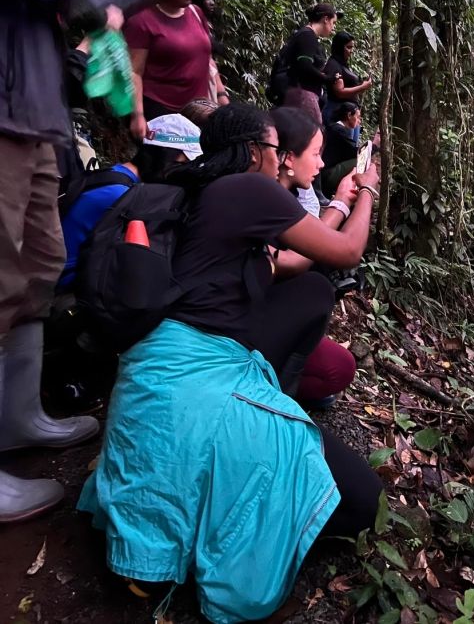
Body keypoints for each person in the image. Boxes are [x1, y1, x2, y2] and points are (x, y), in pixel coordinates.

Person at [79, 103, 382, 623]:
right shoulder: (248, 190)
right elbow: (347, 251)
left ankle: (259, 421)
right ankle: (256, 446)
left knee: (309, 290)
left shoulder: (209, 193)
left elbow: (297, 260)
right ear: (254, 152)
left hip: (166, 368)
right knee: (360, 502)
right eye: (272, 148)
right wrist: (370, 190)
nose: (277, 158)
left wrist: (337, 199)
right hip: (198, 374)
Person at [0, 0, 190, 523]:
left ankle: (17, 417)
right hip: (4, 124)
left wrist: (114, 16)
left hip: (33, 123)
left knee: (40, 267)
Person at [270, 108, 358, 408]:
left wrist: (342, 202)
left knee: (339, 368)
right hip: (236, 327)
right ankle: (274, 392)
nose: (322, 163)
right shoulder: (262, 197)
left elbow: (314, 236)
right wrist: (365, 194)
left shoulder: (289, 195)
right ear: (288, 158)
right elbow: (342, 249)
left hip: (268, 313)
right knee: (317, 289)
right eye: (317, 154)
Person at [58, 114, 203, 291]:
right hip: (67, 288)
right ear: (164, 155)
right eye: (181, 164)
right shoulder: (120, 194)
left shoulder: (115, 177)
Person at [124, 0, 229, 138]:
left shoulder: (196, 13)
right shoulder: (142, 21)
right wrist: (138, 116)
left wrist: (221, 94)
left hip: (198, 111)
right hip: (161, 112)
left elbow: (207, 57)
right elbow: (133, 72)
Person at [282, 1, 342, 123]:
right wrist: (327, 78)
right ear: (326, 19)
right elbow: (304, 66)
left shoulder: (306, 35)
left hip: (300, 93)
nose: (334, 27)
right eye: (333, 22)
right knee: (313, 135)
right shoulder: (307, 36)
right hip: (303, 94)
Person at [323, 31, 372, 141]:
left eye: (352, 47)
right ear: (340, 47)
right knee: (343, 152)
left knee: (351, 150)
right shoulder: (333, 64)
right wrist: (362, 87)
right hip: (339, 113)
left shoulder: (342, 64)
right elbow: (339, 92)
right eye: (348, 47)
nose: (351, 51)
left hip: (350, 114)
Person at [321, 102, 361, 198]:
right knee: (359, 162)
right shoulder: (339, 131)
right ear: (349, 115)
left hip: (325, 172)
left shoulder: (335, 128)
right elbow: (357, 153)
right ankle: (346, 194)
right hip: (327, 174)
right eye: (358, 117)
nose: (359, 121)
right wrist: (375, 145)